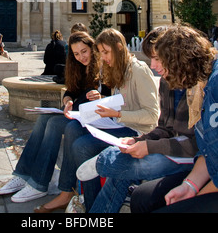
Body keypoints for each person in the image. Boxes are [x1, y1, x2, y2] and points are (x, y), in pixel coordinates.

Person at [77, 25, 199, 213]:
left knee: (126, 162)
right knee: (122, 163)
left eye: (157, 59)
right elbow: (164, 127)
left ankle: (102, 164)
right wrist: (139, 141)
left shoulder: (198, 87)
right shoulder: (167, 83)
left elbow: (155, 118)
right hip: (165, 143)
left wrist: (147, 144)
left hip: (187, 156)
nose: (153, 66)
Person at [37, 28, 159, 213]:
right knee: (73, 129)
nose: (102, 57)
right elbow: (119, 102)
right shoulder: (118, 69)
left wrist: (117, 114)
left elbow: (152, 116)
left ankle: (93, 204)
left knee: (82, 146)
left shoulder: (138, 70)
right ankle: (79, 196)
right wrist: (103, 103)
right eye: (100, 53)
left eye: (105, 52)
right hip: (118, 124)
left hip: (136, 131)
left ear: (118, 47)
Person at [0, 31, 101, 205]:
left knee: (53, 124)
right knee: (44, 118)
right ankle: (23, 174)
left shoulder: (101, 67)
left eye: (84, 51)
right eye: (76, 54)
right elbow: (71, 91)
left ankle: (39, 183)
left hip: (94, 118)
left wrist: (99, 96)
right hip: (78, 113)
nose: (81, 57)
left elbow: (109, 96)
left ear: (92, 48)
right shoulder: (79, 66)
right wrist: (67, 99)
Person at [130, 25, 218, 213]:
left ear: (181, 59)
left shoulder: (214, 84)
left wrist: (199, 193)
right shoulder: (197, 88)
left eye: (159, 59)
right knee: (140, 198)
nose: (153, 66)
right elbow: (209, 153)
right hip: (207, 172)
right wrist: (190, 186)